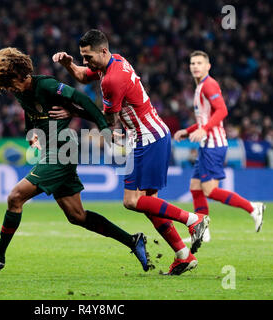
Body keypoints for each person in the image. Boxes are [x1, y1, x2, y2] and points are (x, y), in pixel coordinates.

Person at [0, 47, 152, 273]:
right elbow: (29, 111)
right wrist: (31, 132)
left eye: (10, 81)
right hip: (51, 150)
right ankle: (133, 241)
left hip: (62, 152)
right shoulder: (20, 91)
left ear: (20, 73)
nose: (10, 88)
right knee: (77, 216)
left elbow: (82, 99)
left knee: (15, 197)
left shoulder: (46, 85)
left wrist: (104, 128)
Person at [52, 29, 209, 275]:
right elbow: (83, 76)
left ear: (103, 51)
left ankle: (193, 220)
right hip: (150, 136)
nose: (85, 61)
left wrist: (74, 111)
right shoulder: (115, 61)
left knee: (131, 201)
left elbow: (110, 120)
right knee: (150, 205)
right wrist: (69, 65)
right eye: (82, 56)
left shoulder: (111, 80)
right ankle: (183, 255)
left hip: (147, 139)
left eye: (88, 57)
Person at [173, 50, 265, 241]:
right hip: (207, 144)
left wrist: (204, 130)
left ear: (208, 66)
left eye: (199, 63)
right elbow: (204, 118)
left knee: (209, 191)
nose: (195, 66)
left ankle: (253, 207)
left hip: (214, 145)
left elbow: (222, 110)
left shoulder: (209, 85)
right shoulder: (200, 87)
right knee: (195, 187)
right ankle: (203, 231)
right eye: (192, 63)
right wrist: (188, 131)